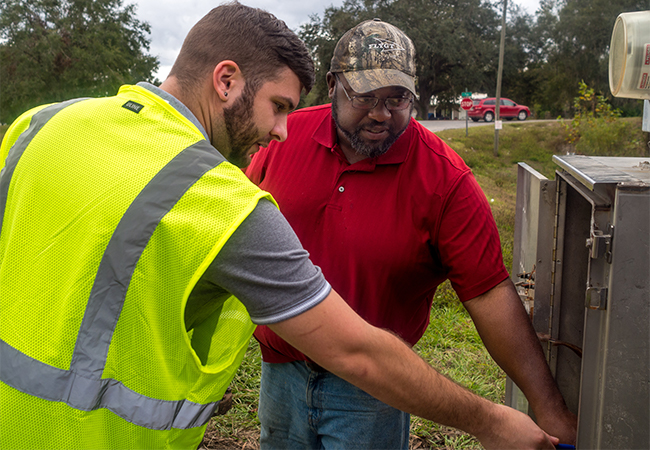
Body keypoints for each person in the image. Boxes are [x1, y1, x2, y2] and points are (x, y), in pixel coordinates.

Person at [0, 3, 558, 449]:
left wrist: (546, 406)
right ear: (226, 81)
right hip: (144, 419)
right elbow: (351, 347)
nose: (282, 133)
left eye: (398, 99)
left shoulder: (39, 124)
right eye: (278, 106)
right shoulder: (220, 196)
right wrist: (488, 421)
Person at [246, 18, 577, 450]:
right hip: (281, 367)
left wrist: (548, 407)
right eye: (365, 96)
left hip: (373, 387)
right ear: (332, 85)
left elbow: (488, 293)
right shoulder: (283, 138)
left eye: (397, 98)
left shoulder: (445, 180)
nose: (381, 114)